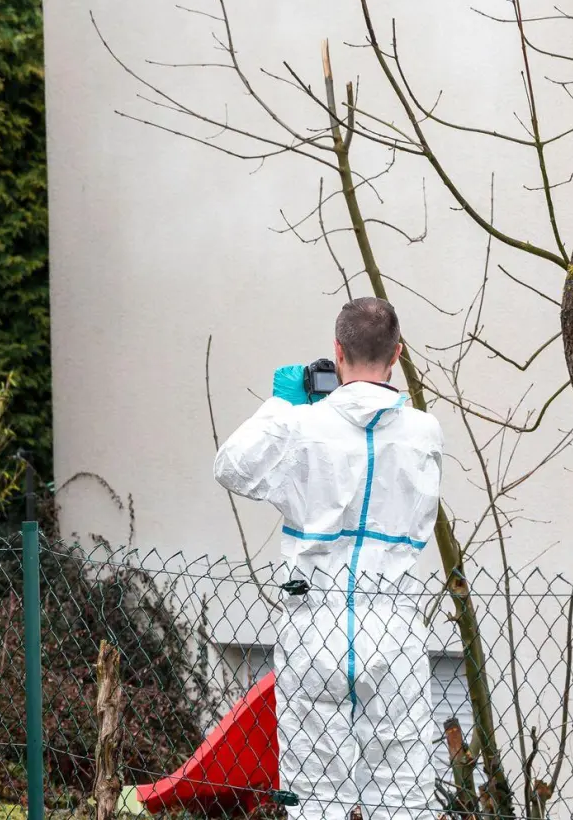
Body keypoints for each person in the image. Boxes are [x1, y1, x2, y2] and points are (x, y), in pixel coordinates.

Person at [214, 297, 443, 820]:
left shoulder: (302, 427)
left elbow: (232, 467)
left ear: (336, 353)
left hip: (313, 623)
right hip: (394, 623)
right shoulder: (425, 433)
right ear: (398, 354)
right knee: (403, 795)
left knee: (316, 798)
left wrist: (281, 406)